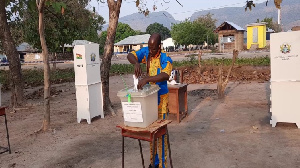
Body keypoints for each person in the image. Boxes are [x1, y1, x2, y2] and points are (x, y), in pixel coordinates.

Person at [127, 33, 173, 168]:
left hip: (161, 101)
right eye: (149, 47)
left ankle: (162, 165)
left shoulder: (165, 57)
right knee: (151, 133)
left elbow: (165, 75)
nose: (151, 51)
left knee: (161, 135)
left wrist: (147, 79)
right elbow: (130, 55)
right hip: (149, 100)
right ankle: (154, 162)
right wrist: (136, 63)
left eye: (153, 48)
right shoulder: (146, 52)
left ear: (159, 46)